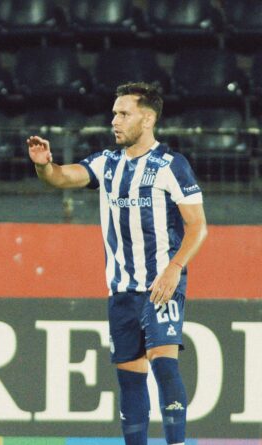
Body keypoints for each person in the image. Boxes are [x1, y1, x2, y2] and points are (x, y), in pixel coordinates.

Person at [26, 82, 207, 445]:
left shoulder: (171, 166)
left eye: (124, 114)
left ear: (148, 119)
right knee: (130, 378)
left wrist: (174, 268)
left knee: (163, 362)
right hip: (121, 289)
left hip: (160, 284)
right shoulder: (106, 163)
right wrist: (44, 166)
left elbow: (198, 226)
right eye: (114, 114)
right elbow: (62, 177)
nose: (114, 121)